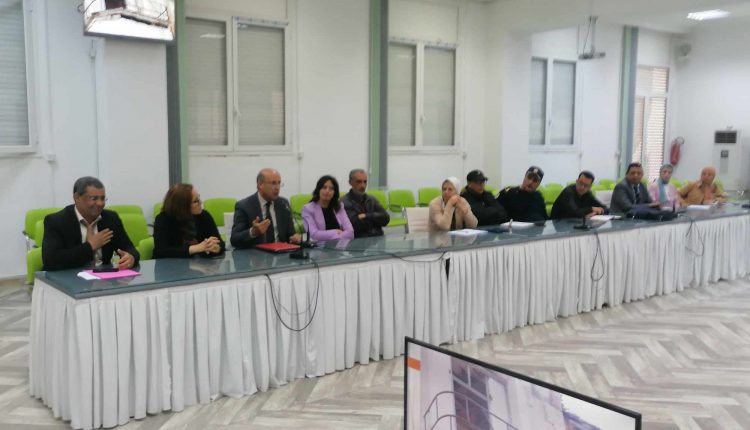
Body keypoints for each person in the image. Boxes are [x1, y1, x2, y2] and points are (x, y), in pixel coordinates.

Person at [41, 176, 139, 271]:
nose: (100, 203)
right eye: (94, 198)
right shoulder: (56, 221)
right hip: (67, 277)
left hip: (103, 278)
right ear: (77, 197)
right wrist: (90, 246)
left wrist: (131, 257)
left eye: (102, 198)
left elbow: (129, 248)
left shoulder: (111, 219)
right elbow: (51, 260)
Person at [231, 168, 301, 249]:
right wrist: (253, 232)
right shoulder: (244, 206)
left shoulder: (283, 203)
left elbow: (291, 234)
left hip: (281, 253)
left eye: (279, 183)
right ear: (260, 185)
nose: (277, 188)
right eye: (273, 183)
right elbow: (234, 239)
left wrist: (295, 238)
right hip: (256, 255)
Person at [153, 183, 224, 259]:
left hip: (201, 264)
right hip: (171, 265)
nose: (200, 203)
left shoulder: (204, 216)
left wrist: (217, 248)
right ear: (182, 206)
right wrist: (196, 248)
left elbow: (220, 242)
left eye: (199, 198)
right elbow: (161, 252)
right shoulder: (163, 220)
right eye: (196, 201)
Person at [301, 175, 355, 241]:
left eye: (331, 188)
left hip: (339, 246)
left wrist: (332, 236)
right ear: (318, 190)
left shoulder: (339, 206)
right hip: (319, 246)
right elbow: (313, 234)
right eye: (324, 187)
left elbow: (350, 233)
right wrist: (335, 232)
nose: (327, 191)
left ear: (334, 192)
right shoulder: (308, 209)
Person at [340, 169, 390, 238]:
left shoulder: (371, 199)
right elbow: (355, 225)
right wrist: (375, 219)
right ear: (350, 182)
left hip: (378, 238)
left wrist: (366, 215)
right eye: (358, 182)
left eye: (365, 182)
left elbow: (386, 219)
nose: (363, 185)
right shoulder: (343, 202)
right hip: (358, 240)